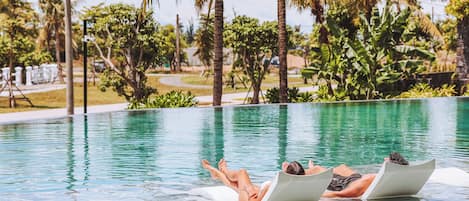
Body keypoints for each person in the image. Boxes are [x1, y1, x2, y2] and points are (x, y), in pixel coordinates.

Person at [307, 152, 409, 198]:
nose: (384, 159)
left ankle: (311, 169)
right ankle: (313, 169)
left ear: (390, 165)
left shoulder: (369, 180)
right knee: (342, 167)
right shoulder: (394, 179)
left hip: (345, 184)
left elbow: (341, 194)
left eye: (387, 159)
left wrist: (311, 197)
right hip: (357, 178)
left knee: (317, 169)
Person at [201, 159, 308, 201]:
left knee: (242, 173)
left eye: (287, 165)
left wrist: (254, 194)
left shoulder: (273, 186)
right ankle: (217, 172)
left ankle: (222, 170)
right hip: (258, 194)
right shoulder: (295, 186)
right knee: (237, 184)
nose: (285, 163)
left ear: (287, 173)